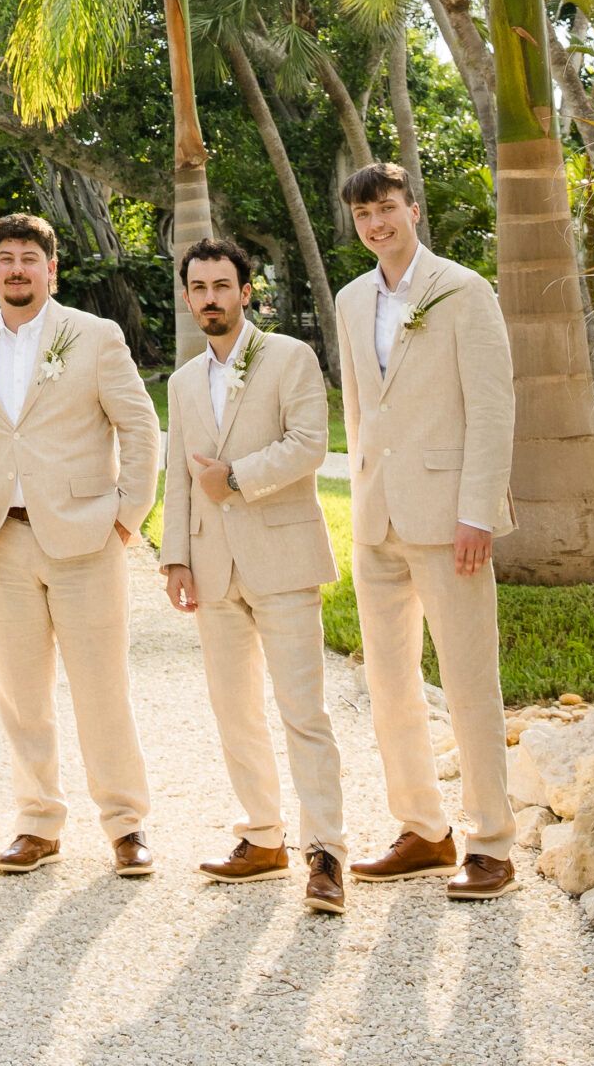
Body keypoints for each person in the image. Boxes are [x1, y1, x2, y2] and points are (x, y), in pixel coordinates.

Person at [0, 213, 160, 881]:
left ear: (52, 270)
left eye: (30, 258)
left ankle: (125, 823)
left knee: (101, 687)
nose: (18, 269)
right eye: (7, 258)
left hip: (85, 539)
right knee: (20, 694)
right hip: (0, 542)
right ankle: (37, 821)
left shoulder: (95, 337)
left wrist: (126, 517)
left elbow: (140, 426)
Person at [336, 161, 517, 900]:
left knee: (470, 682)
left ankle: (492, 843)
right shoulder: (351, 299)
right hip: (377, 520)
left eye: (386, 208)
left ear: (413, 209)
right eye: (363, 215)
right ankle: (422, 830)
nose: (376, 224)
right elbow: (360, 408)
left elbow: (493, 408)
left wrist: (478, 512)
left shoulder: (463, 290)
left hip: (449, 520)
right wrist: (363, 494)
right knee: (388, 685)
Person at [160, 238, 347, 915]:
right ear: (188, 296)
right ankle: (262, 837)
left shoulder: (289, 357)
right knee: (234, 711)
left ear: (245, 292)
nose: (210, 298)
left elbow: (309, 444)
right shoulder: (182, 382)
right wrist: (175, 557)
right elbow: (180, 475)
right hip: (212, 569)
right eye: (198, 287)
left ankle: (326, 852)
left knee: (303, 711)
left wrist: (236, 477)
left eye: (222, 286)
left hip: (282, 559)